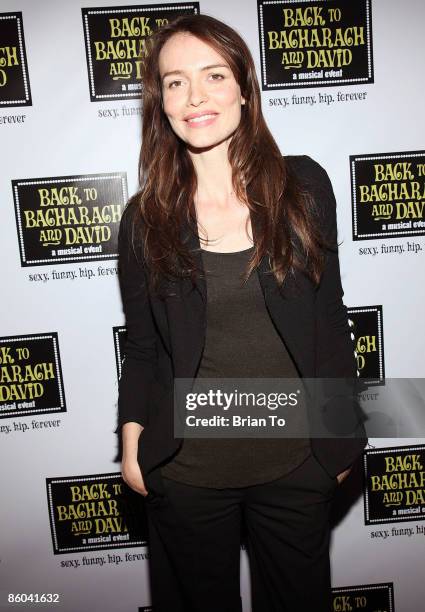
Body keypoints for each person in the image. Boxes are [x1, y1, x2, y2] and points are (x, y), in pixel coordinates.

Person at [116, 13, 367, 612]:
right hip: (187, 473)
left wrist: (339, 441)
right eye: (175, 82)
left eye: (214, 75)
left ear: (244, 88)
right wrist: (131, 447)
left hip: (295, 466)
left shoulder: (304, 187)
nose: (195, 96)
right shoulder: (143, 220)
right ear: (161, 102)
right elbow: (145, 347)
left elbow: (329, 319)